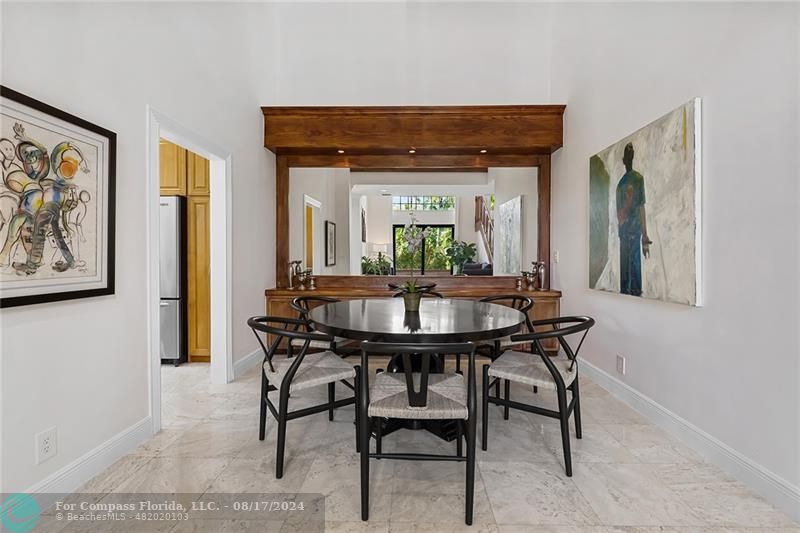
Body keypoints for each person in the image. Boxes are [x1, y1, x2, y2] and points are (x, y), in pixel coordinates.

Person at [615, 142, 652, 296]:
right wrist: (644, 235)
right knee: (634, 276)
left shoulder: (620, 185)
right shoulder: (637, 179)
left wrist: (643, 235)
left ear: (624, 160)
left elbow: (620, 217)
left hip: (626, 233)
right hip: (633, 233)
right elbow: (641, 208)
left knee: (626, 277)